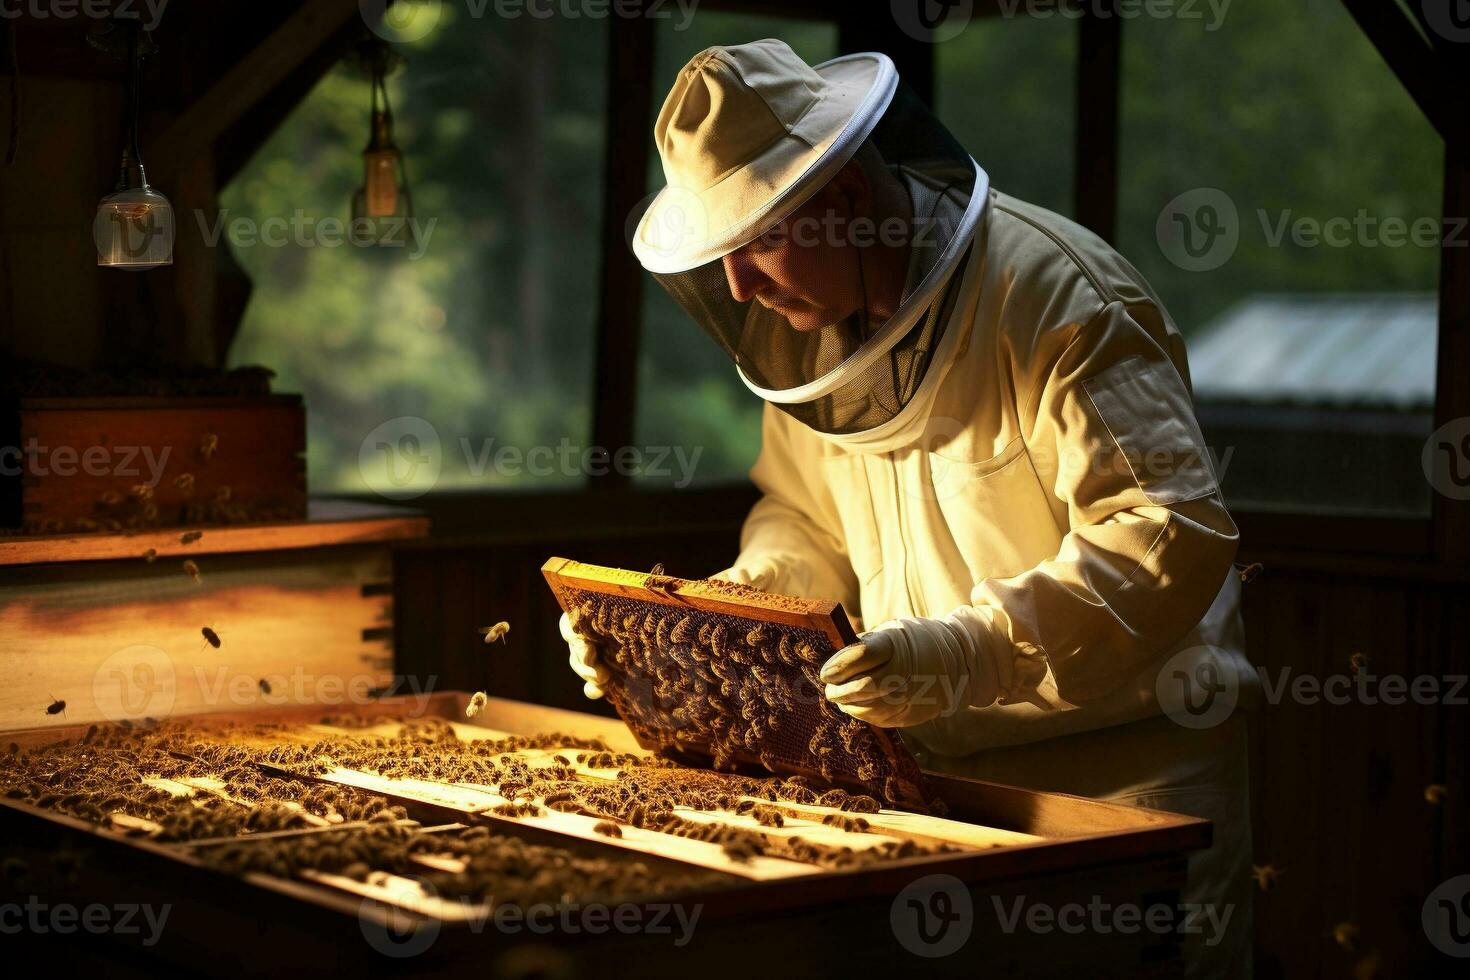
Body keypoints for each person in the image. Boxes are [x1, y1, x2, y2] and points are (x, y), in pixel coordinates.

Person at [562, 39, 1256, 977]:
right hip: (935, 780)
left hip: (1125, 778)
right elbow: (802, 514)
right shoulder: (813, 335)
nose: (738, 289)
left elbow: (1167, 529)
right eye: (722, 255)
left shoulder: (1056, 296)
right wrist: (749, 602)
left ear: (845, 200)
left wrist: (974, 647)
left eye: (757, 242)